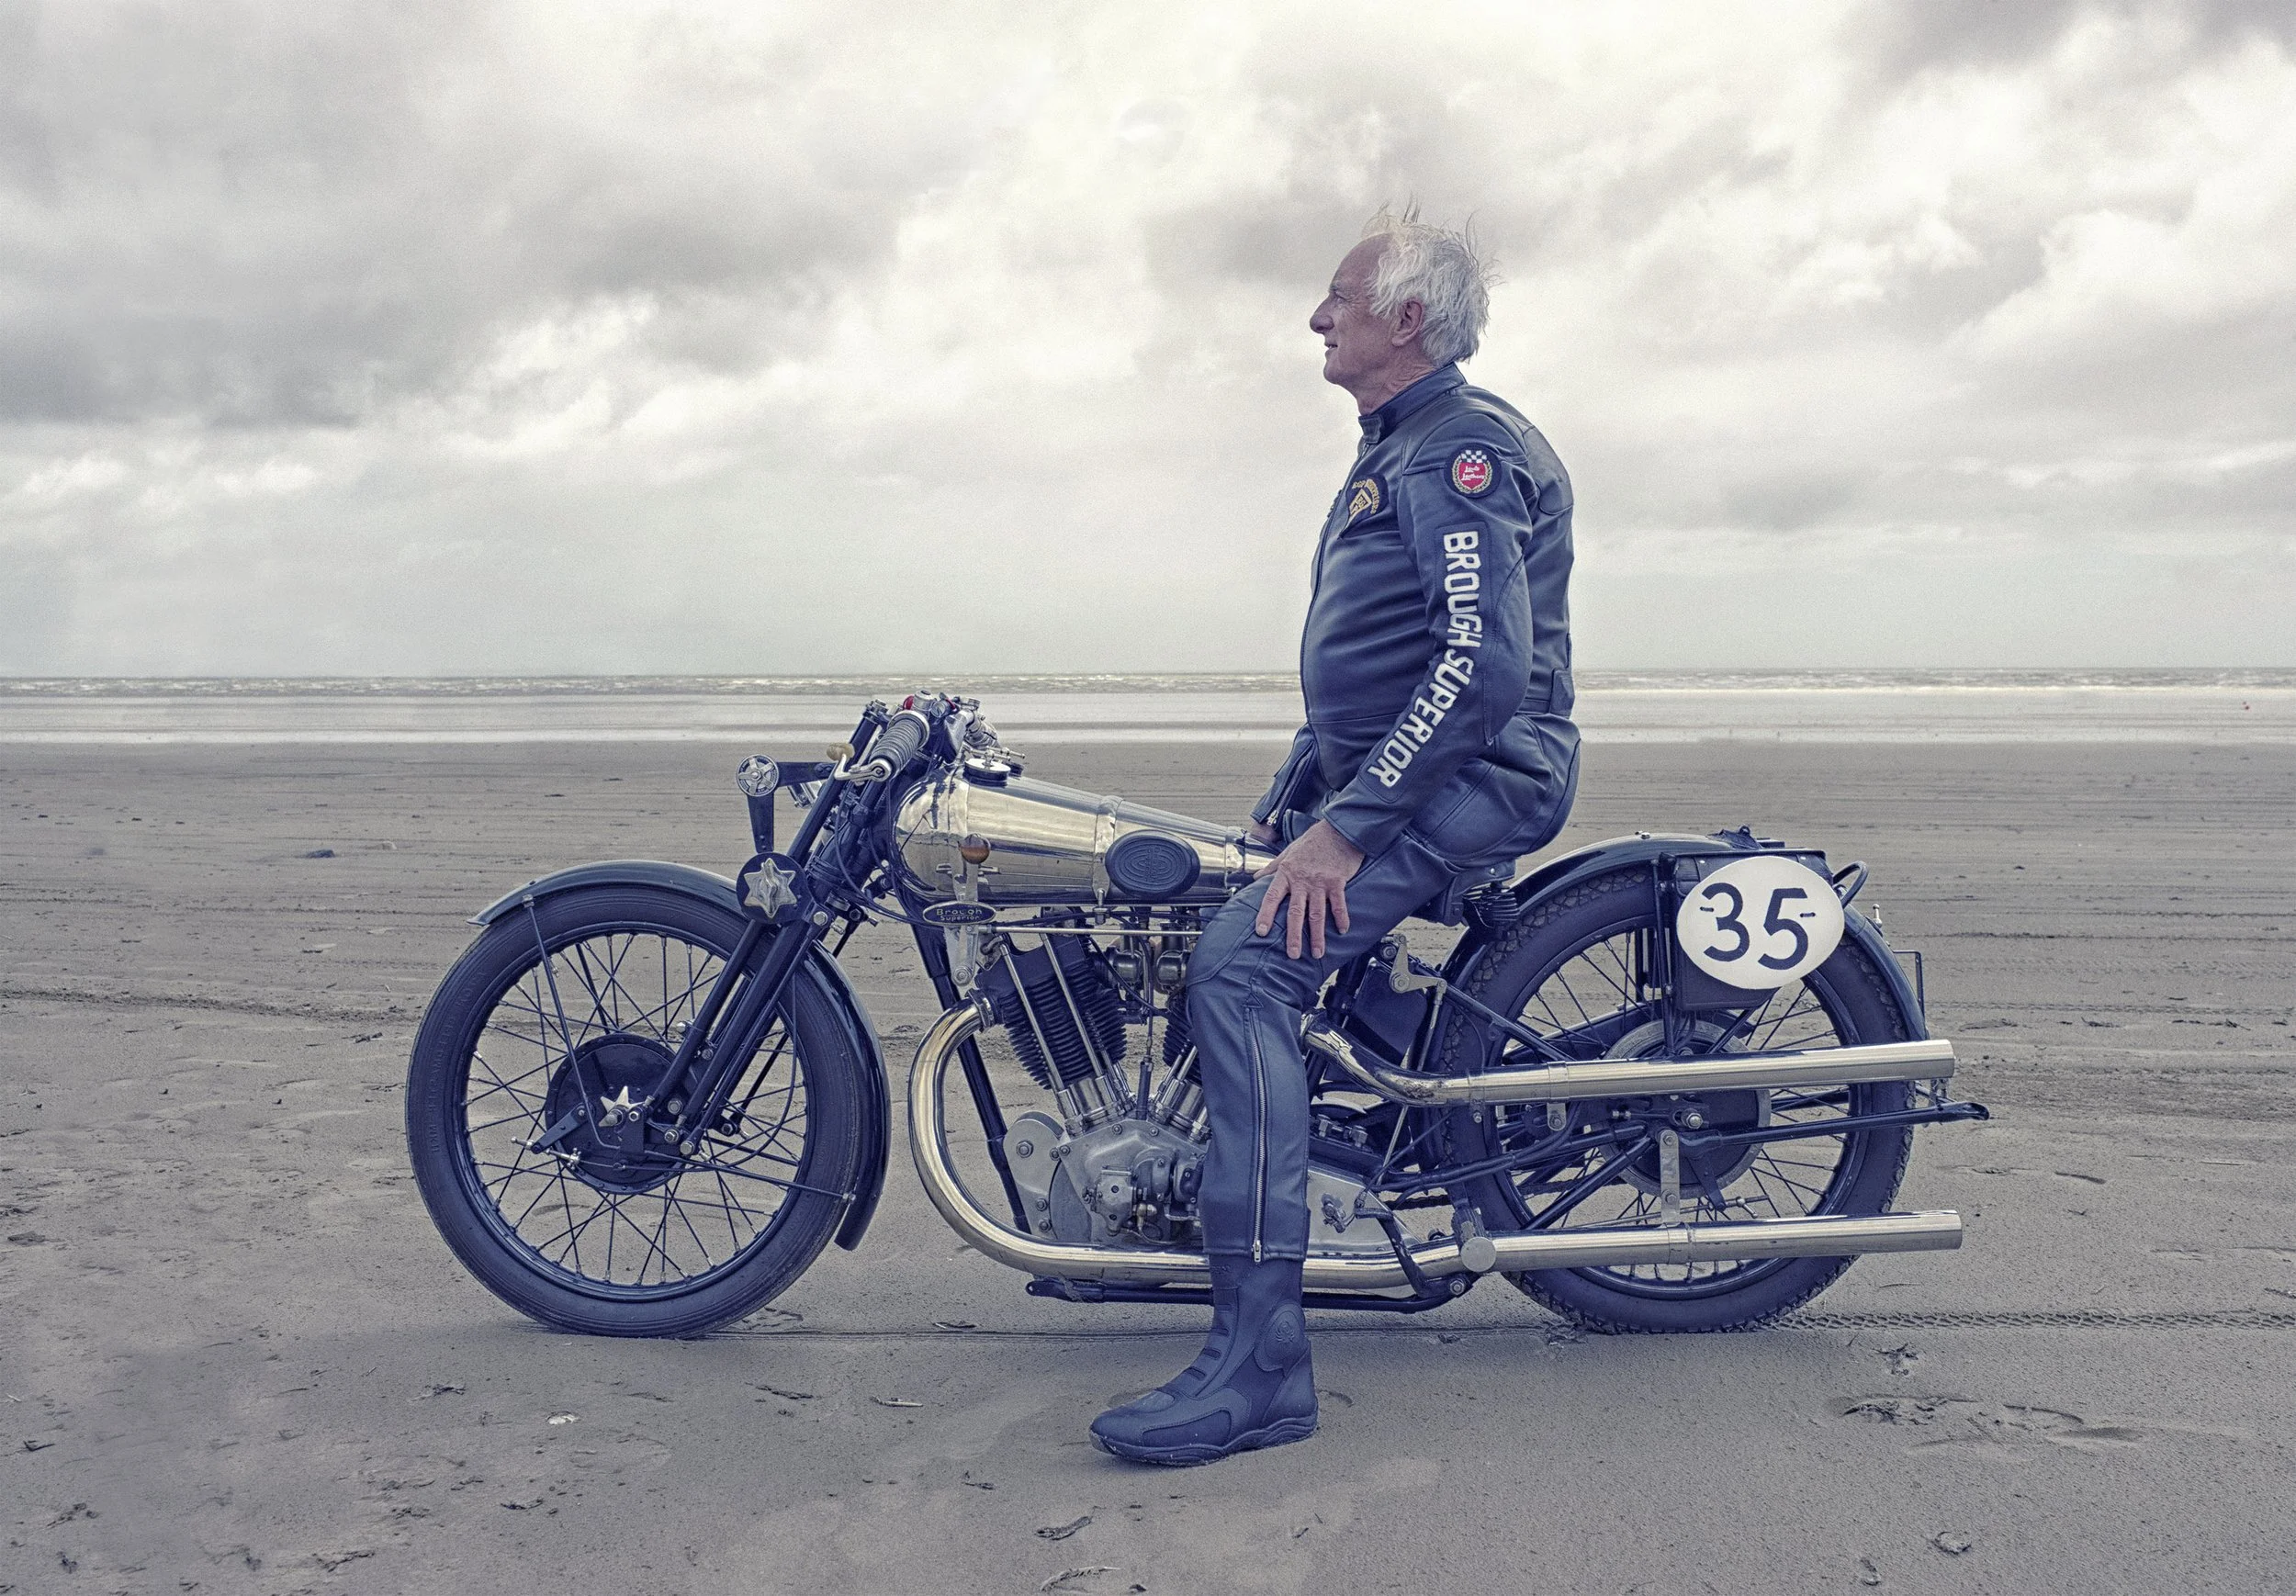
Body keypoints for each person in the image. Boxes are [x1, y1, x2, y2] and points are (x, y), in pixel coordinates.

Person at [1091, 208, 1581, 1466]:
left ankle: (1261, 1363)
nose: (1317, 317)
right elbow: (1379, 662)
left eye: (1340, 298)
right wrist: (1294, 793)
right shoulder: (1402, 444)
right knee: (1236, 913)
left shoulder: (1460, 452)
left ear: (1405, 319)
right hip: (1402, 774)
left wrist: (1346, 832)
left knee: (1242, 971)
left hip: (1483, 776)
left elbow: (1476, 672)